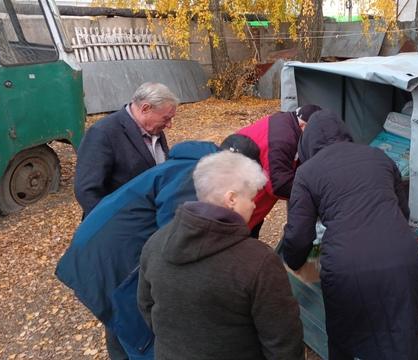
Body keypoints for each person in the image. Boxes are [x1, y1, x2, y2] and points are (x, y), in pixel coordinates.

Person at [57, 135, 260, 359]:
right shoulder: (195, 177)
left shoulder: (193, 164)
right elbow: (177, 240)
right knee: (142, 337)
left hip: (95, 252)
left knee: (119, 323)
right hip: (112, 262)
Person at [280, 110, 418, 360]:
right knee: (403, 333)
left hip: (347, 268)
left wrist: (292, 262)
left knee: (348, 339)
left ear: (307, 142)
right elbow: (403, 212)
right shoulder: (378, 157)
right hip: (404, 257)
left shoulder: (307, 173)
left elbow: (298, 236)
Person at [138, 151, 304, 360]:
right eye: (251, 197)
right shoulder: (258, 262)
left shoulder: (156, 242)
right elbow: (282, 340)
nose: (254, 204)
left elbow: (146, 306)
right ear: (231, 199)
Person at [75, 82, 179, 219]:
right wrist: (113, 225)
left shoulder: (155, 130)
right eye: (166, 118)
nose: (169, 125)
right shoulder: (103, 133)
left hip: (151, 221)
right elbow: (87, 191)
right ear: (145, 108)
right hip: (120, 227)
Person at [237, 104, 321, 238]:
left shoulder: (288, 122)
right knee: (241, 240)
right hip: (244, 201)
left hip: (251, 197)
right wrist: (312, 196)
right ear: (304, 126)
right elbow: (279, 185)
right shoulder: (282, 139)